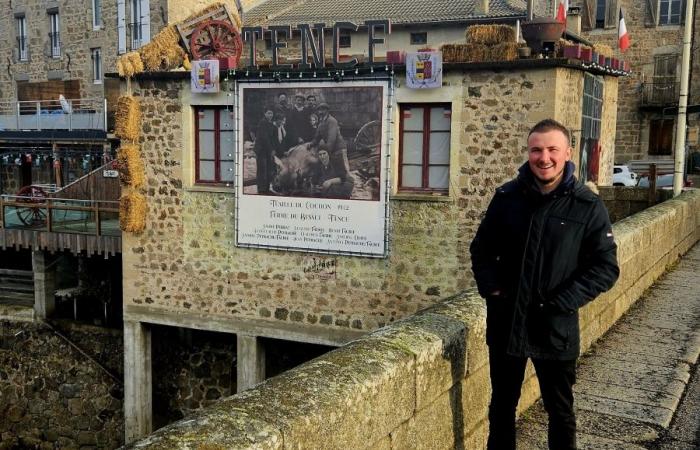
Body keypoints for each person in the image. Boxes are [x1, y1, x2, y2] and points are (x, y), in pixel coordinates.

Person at [470, 119, 619, 450]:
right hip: (507, 323)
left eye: (552, 149)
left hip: (555, 327)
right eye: (536, 149)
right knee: (502, 407)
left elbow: (605, 267)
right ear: (528, 153)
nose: (544, 157)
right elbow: (481, 248)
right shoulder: (507, 197)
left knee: (560, 411)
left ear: (567, 152)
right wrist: (492, 289)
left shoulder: (587, 205)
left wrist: (563, 301)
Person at [311, 103, 350, 174]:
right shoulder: (321, 123)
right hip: (331, 150)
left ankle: (349, 181)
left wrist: (327, 151)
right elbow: (317, 137)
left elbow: (332, 138)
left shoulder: (332, 121)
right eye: (319, 110)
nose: (320, 112)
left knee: (344, 168)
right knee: (335, 170)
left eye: (322, 110)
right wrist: (311, 144)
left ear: (327, 111)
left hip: (339, 148)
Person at [253, 109, 275, 194]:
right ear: (264, 113)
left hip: (267, 150)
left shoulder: (271, 124)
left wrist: (273, 149)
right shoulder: (263, 123)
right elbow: (265, 138)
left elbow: (272, 138)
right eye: (268, 113)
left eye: (271, 113)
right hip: (261, 150)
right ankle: (261, 189)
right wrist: (271, 150)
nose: (270, 115)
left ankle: (266, 188)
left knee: (268, 169)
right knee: (262, 169)